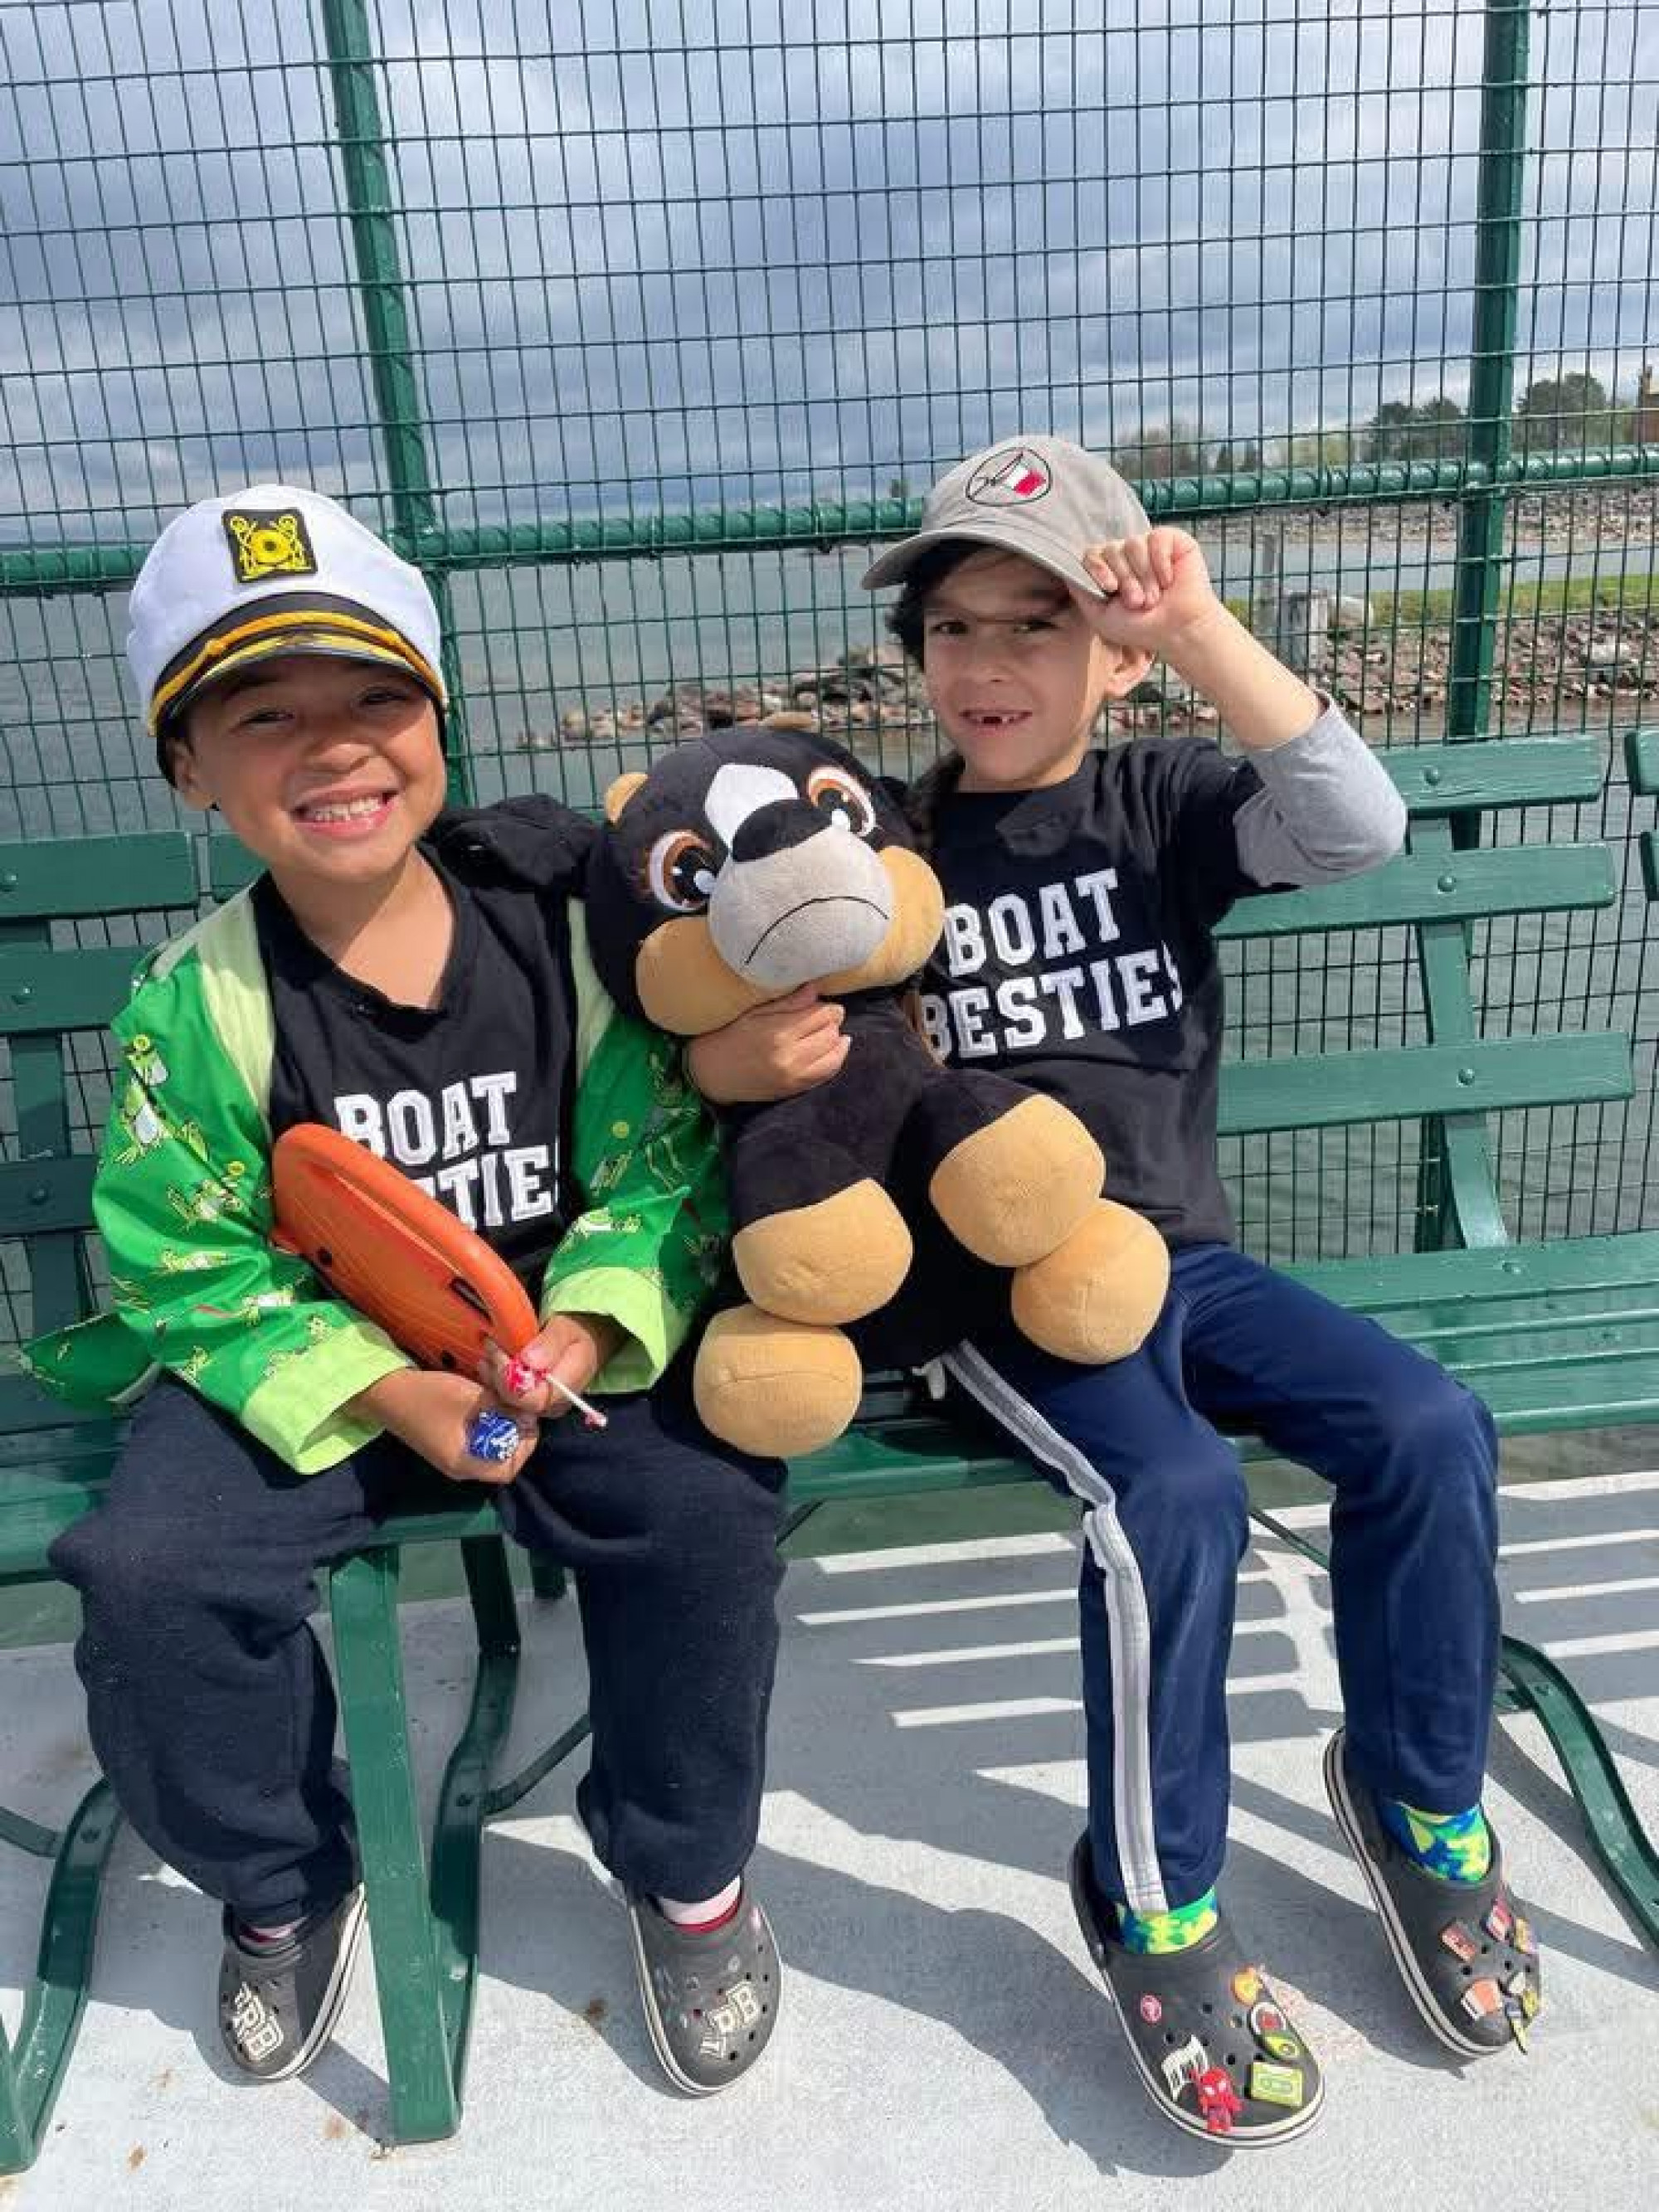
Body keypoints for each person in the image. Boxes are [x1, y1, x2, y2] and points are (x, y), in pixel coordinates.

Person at [688, 435, 1540, 2144]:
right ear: (916, 654)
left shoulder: (1159, 803)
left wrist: (1207, 628)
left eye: (1036, 625)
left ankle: (1417, 1799)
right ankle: (1154, 1898)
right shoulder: (892, 846)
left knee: (1427, 1424)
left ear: (1115, 654)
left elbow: (1355, 821)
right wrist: (736, 1038)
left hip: (1188, 1261)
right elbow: (729, 992)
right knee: (1169, 1491)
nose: (988, 666)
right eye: (953, 630)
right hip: (1003, 1304)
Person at [30, 484, 784, 2097]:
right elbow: (185, 1250)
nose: (336, 746)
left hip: (551, 1343)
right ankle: (283, 1875)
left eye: (378, 696)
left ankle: (684, 1863)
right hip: (322, 1359)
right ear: (188, 765)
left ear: (437, 714)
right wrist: (390, 1390)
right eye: (262, 714)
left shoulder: (564, 932)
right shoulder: (197, 1004)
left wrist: (583, 1317)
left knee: (708, 1513)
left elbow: (660, 1164)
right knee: (149, 1567)